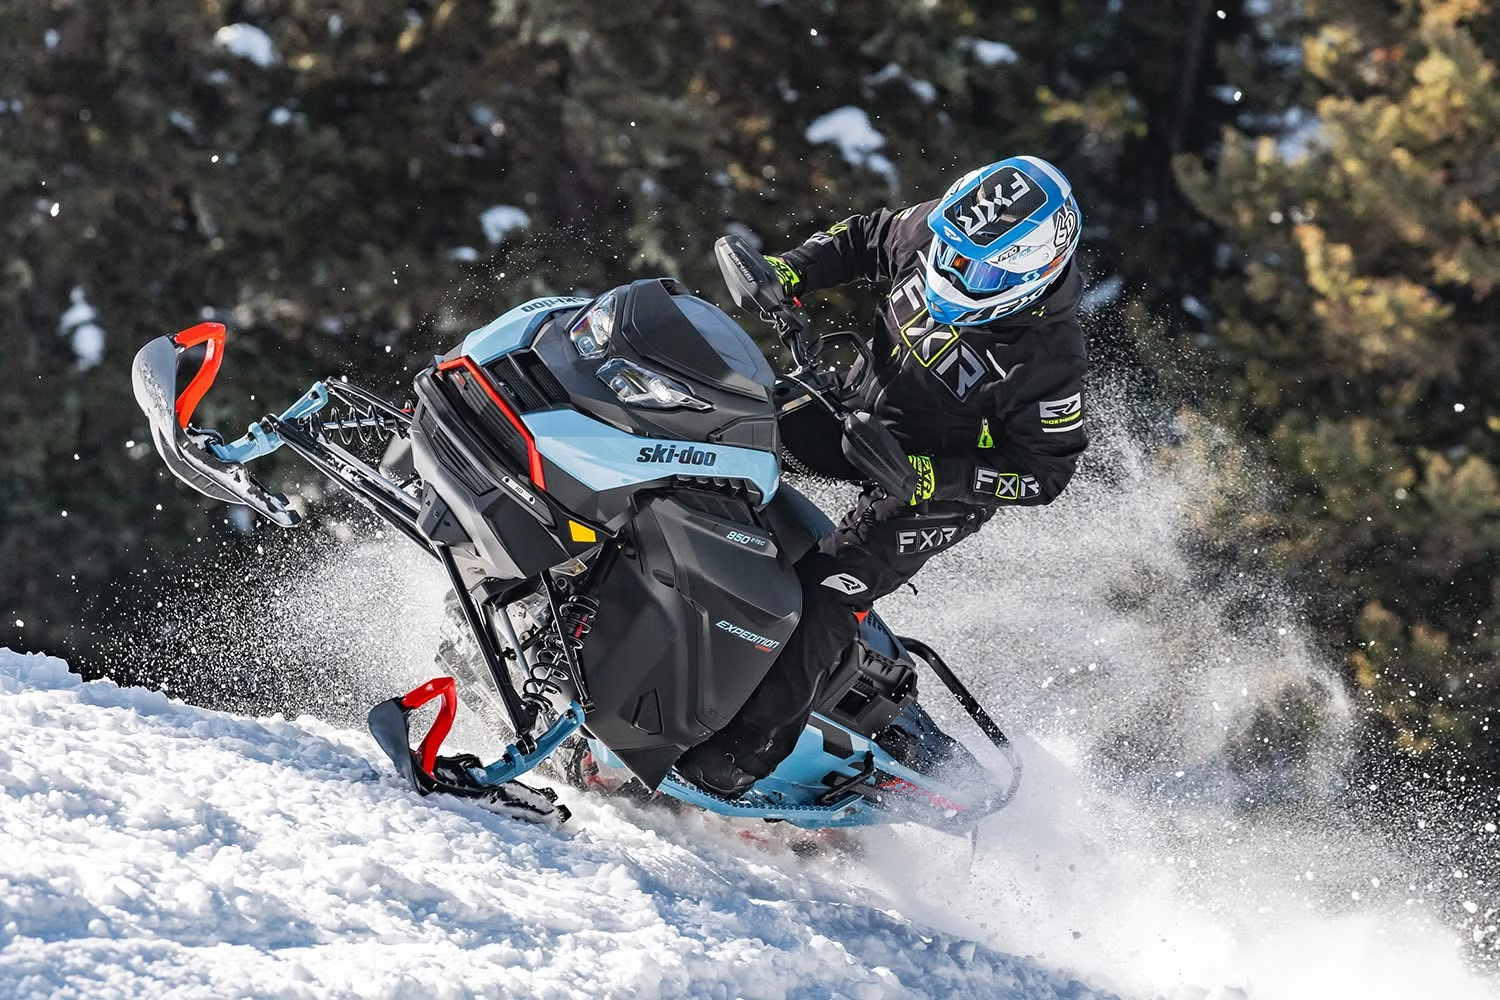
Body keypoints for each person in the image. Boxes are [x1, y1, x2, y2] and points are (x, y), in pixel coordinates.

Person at [675, 155, 1090, 798]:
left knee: (826, 587)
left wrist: (929, 477)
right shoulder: (939, 231)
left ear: (1032, 270)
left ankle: (738, 757)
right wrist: (792, 271)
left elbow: (1043, 474)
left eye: (980, 269)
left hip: (933, 490)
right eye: (952, 252)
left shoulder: (1049, 359)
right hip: (857, 411)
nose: (952, 271)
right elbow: (865, 236)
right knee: (714, 415)